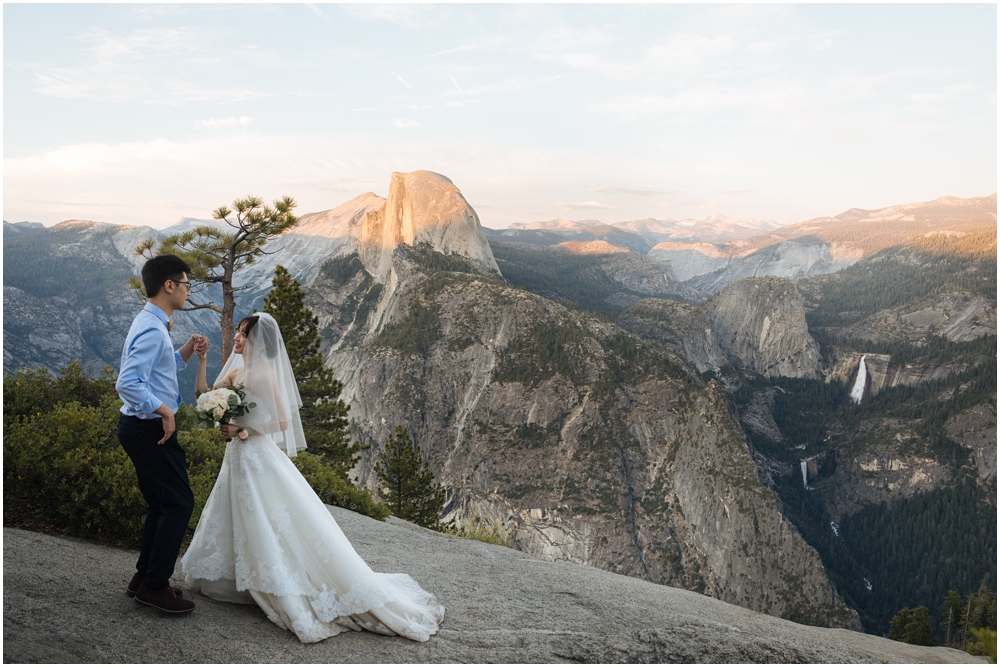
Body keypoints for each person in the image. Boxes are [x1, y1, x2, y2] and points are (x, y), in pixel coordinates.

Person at [181, 313, 445, 643]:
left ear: (258, 342)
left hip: (256, 455)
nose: (237, 338)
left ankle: (275, 583)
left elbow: (280, 422)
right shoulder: (237, 370)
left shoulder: (263, 374)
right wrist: (203, 361)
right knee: (237, 514)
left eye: (244, 334)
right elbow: (204, 398)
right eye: (237, 332)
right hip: (236, 456)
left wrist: (242, 428)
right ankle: (239, 578)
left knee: (265, 520)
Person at [116, 254, 207, 614]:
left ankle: (144, 578)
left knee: (161, 503)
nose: (188, 291)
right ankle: (155, 586)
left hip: (138, 428)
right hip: (147, 429)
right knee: (179, 503)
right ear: (168, 286)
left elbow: (157, 369)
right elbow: (128, 382)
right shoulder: (154, 328)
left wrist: (186, 352)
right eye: (185, 284)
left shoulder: (152, 323)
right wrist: (165, 410)